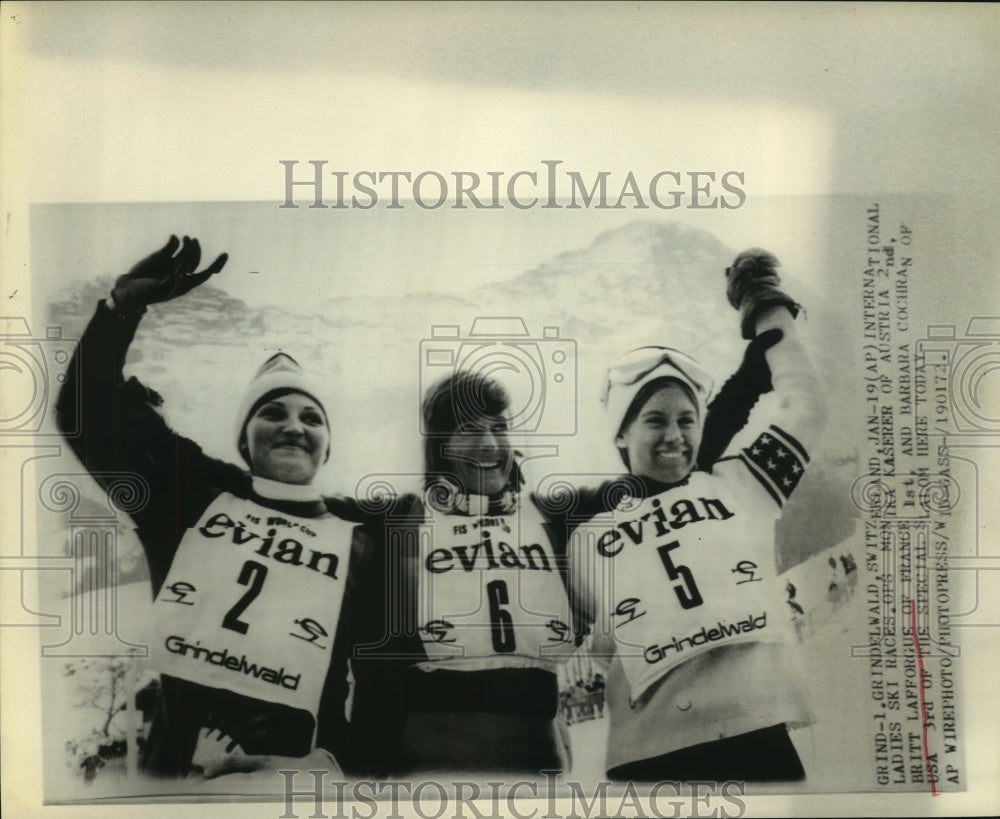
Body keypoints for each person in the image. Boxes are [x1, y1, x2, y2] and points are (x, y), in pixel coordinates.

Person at [56, 236, 365, 778]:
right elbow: (85, 415)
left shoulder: (358, 533)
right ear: (244, 440)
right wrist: (120, 309)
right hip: (182, 786)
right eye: (272, 412)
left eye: (312, 418)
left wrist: (339, 764)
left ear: (327, 448)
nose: (294, 425)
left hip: (303, 787)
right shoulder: (191, 499)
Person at [570, 248, 826, 781]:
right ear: (620, 432)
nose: (674, 434)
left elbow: (805, 405)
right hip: (648, 753)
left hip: (757, 730)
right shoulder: (584, 531)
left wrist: (765, 307)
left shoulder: (742, 482)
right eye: (654, 420)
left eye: (688, 420)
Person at [344, 371, 579, 775]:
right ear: (439, 445)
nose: (489, 444)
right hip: (432, 772)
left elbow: (653, 481)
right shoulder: (398, 521)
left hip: (538, 766)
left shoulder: (547, 517)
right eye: (469, 429)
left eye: (500, 428)